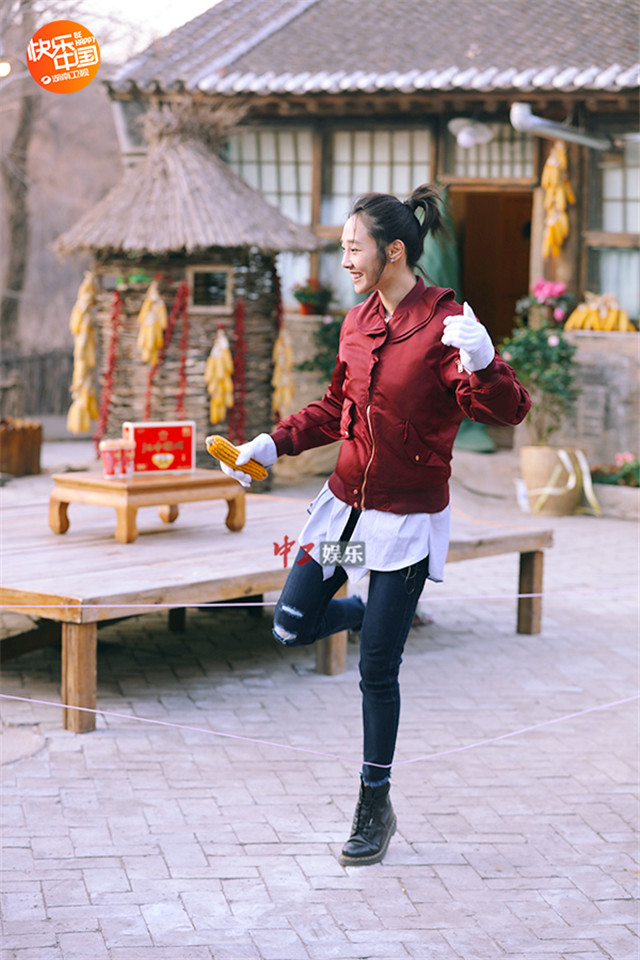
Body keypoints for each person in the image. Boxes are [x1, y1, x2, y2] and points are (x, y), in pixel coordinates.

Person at [219, 184, 531, 866]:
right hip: (347, 520)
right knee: (289, 624)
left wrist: (485, 362)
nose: (345, 260)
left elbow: (507, 411)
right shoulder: (357, 322)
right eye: (342, 248)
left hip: (406, 524)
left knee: (376, 670)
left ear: (392, 251)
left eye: (352, 248)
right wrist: (270, 444)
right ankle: (365, 607)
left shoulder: (447, 323)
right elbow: (334, 407)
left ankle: (373, 805)